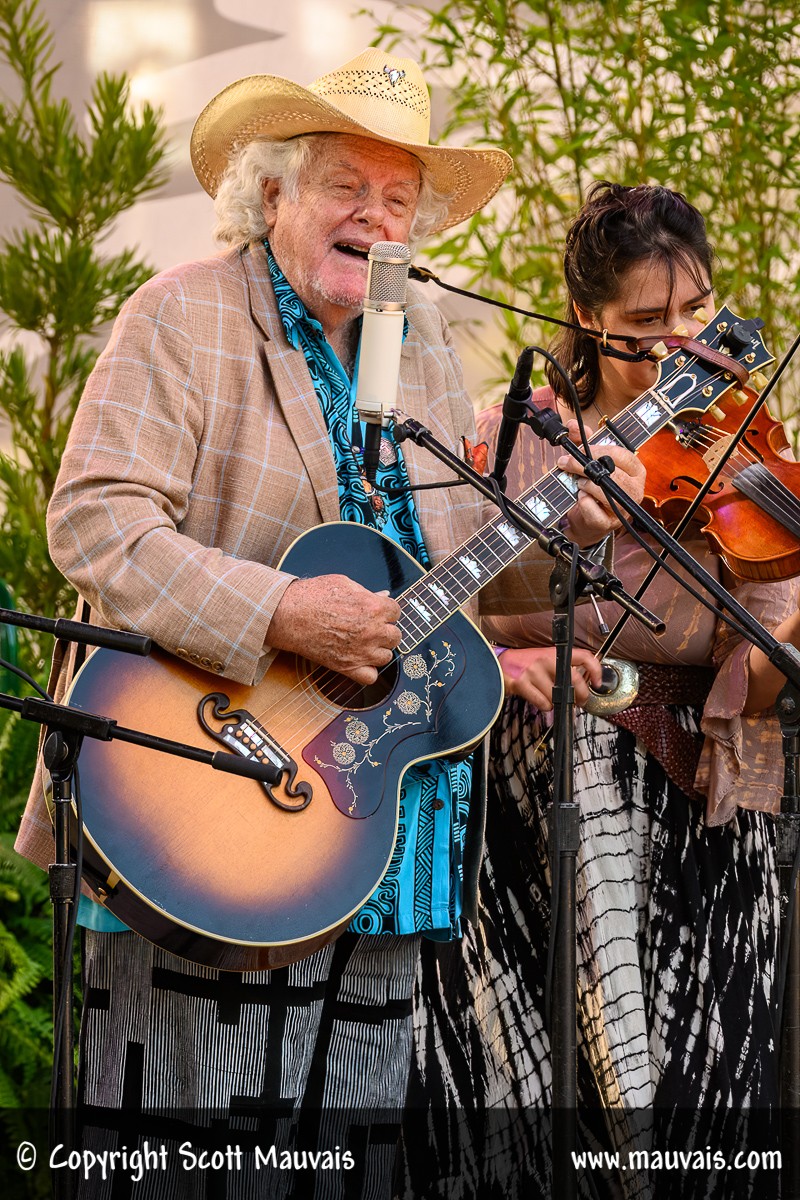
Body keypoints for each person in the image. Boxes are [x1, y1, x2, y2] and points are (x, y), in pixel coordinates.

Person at [14, 53, 645, 1200]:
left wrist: (570, 536)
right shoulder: (183, 315)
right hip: (205, 799)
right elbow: (94, 523)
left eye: (399, 199)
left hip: (385, 835)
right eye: (346, 185)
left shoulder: (422, 359)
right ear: (272, 197)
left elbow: (441, 583)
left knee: (347, 1164)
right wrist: (280, 612)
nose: (375, 216)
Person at [406, 182, 799, 1200]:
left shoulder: (747, 439)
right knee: (546, 1082)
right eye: (644, 323)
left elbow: (753, 690)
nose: (681, 343)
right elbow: (452, 619)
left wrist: (783, 634)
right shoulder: (520, 437)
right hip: (545, 788)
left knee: (702, 1081)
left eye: (696, 311)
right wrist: (550, 583)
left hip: (698, 800)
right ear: (583, 316)